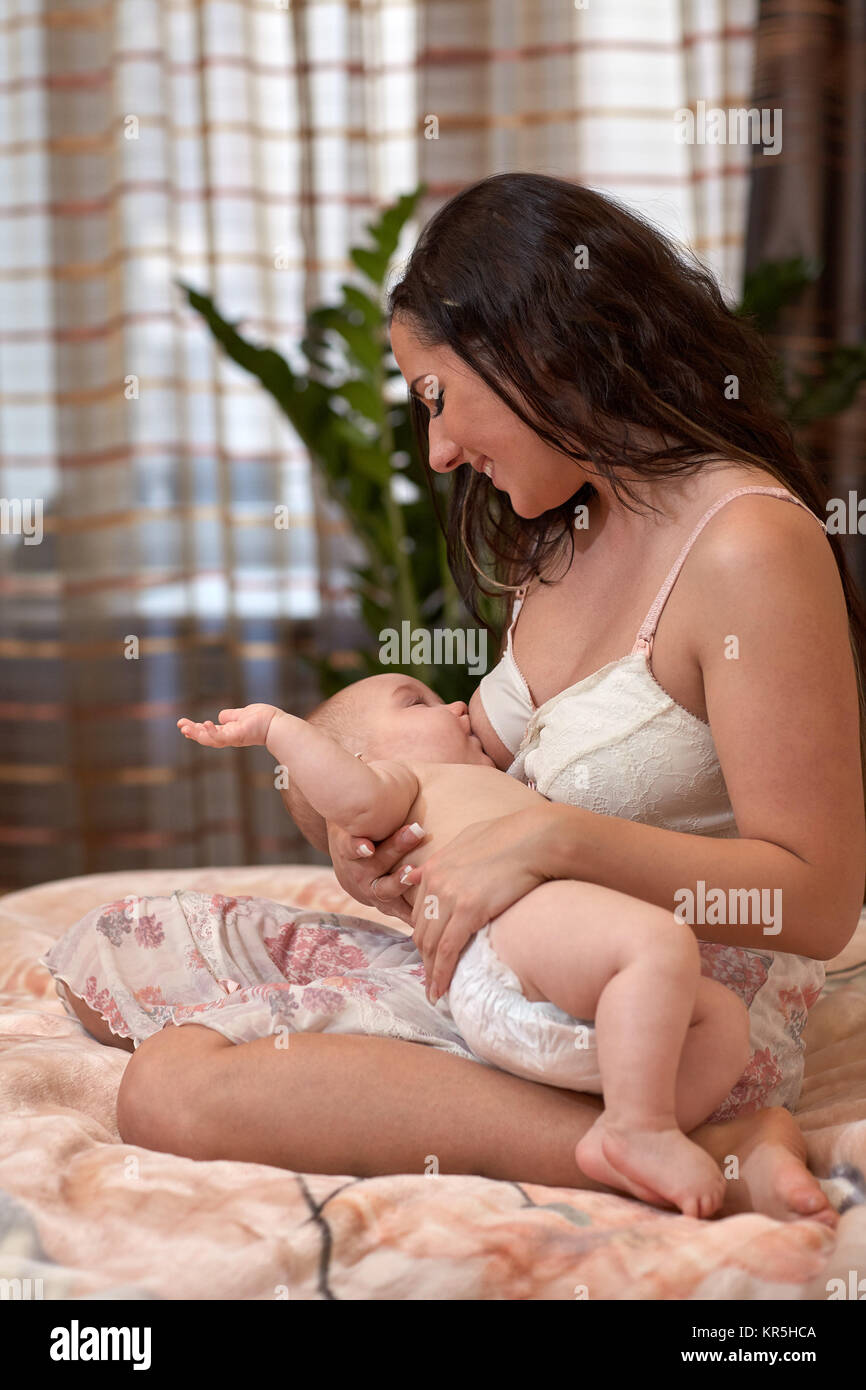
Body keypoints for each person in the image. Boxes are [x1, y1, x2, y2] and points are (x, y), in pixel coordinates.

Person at [44, 173, 866, 1225]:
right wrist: (376, 849)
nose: (434, 451)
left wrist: (551, 844)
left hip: (670, 1013)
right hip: (523, 970)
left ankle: (693, 1132)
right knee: (160, 1028)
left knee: (179, 1092)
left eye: (436, 397)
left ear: (533, 351)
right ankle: (667, 1145)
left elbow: (815, 899)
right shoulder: (568, 525)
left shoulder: (746, 545)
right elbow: (482, 767)